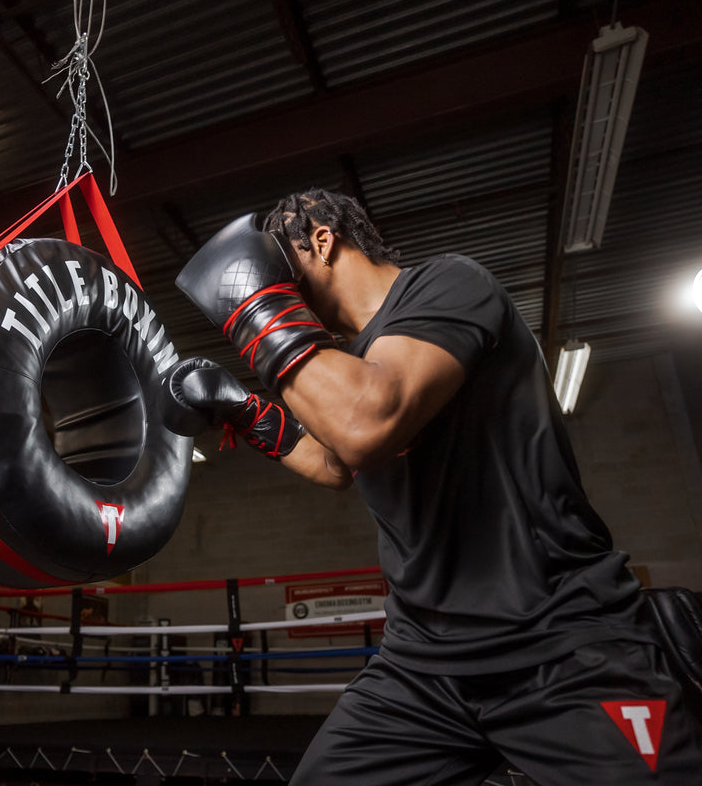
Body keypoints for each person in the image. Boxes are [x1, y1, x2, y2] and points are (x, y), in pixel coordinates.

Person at [164, 189, 702, 785]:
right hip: (423, 666)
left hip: (559, 644)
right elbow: (336, 462)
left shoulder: (448, 285)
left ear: (322, 240)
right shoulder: (351, 364)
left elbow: (365, 424)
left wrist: (253, 308)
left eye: (276, 265)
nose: (274, 283)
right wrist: (244, 413)